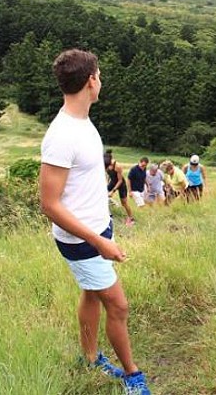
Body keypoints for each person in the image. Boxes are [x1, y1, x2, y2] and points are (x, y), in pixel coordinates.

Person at [38, 49, 150, 395]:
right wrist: (99, 241)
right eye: (99, 75)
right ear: (91, 81)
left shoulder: (82, 122)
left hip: (97, 229)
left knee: (91, 293)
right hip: (82, 239)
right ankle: (133, 377)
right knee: (118, 304)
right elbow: (49, 204)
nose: (101, 80)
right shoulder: (61, 136)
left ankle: (90, 358)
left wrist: (105, 230)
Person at [104, 151, 135, 226]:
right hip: (113, 182)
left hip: (121, 184)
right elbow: (109, 176)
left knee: (124, 203)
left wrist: (113, 191)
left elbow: (120, 180)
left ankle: (131, 218)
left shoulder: (117, 166)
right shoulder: (105, 164)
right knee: (102, 195)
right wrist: (107, 183)